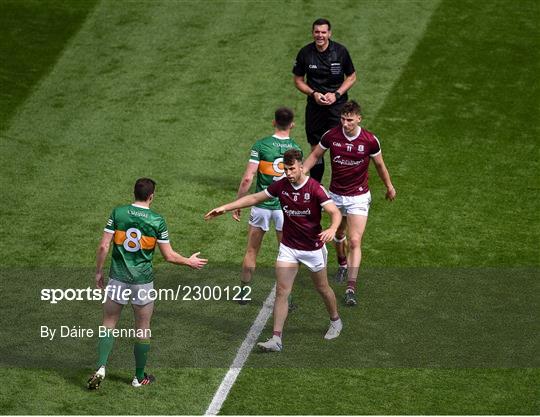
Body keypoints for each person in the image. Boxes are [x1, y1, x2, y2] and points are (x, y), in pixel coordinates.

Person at [205, 149, 343, 352]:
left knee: (322, 288)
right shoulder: (281, 186)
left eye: (292, 169)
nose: (288, 173)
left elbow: (334, 212)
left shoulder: (315, 188)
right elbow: (254, 198)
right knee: (281, 291)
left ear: (301, 167)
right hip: (289, 248)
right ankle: (276, 339)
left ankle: (335, 320)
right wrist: (225, 207)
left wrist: (332, 228)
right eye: (286, 169)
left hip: (312, 249)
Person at [87, 178, 207, 389]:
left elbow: (104, 246)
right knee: (142, 328)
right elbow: (169, 256)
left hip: (117, 278)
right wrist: (189, 261)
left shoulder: (118, 213)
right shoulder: (157, 221)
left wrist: (98, 271)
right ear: (151, 196)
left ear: (134, 193)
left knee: (109, 322)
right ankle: (138, 377)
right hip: (142, 283)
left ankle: (101, 367)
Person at [303, 101, 396, 306]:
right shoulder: (331, 136)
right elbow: (315, 155)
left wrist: (389, 186)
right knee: (338, 234)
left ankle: (351, 288)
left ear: (359, 119)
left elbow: (379, 165)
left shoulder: (370, 140)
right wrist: (302, 172)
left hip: (359, 197)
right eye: (343, 119)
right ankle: (342, 263)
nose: (346, 124)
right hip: (335, 196)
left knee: (354, 240)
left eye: (350, 120)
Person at [232, 107, 302, 304]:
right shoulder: (296, 149)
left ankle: (244, 294)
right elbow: (298, 180)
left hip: (261, 206)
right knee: (287, 254)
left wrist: (239, 203)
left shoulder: (261, 145)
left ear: (274, 122)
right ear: (292, 124)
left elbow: (248, 178)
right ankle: (289, 299)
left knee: (252, 251)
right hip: (284, 208)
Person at [292, 18, 357, 183]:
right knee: (316, 149)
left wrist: (336, 94)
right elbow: (298, 80)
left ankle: (339, 187)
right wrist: (313, 93)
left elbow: (352, 76)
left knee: (338, 148)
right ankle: (316, 186)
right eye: (317, 32)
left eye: (323, 32)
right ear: (312, 33)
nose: (320, 35)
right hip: (315, 108)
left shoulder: (340, 52)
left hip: (338, 109)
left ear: (329, 33)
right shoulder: (305, 53)